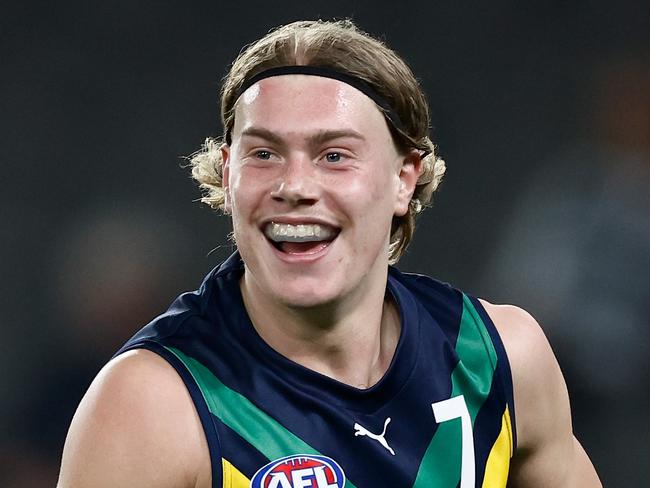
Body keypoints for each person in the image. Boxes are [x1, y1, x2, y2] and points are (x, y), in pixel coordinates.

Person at [57, 20, 601, 488]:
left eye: (334, 155)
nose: (295, 185)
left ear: (403, 179)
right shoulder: (154, 403)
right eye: (264, 153)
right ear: (227, 174)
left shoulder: (498, 358)